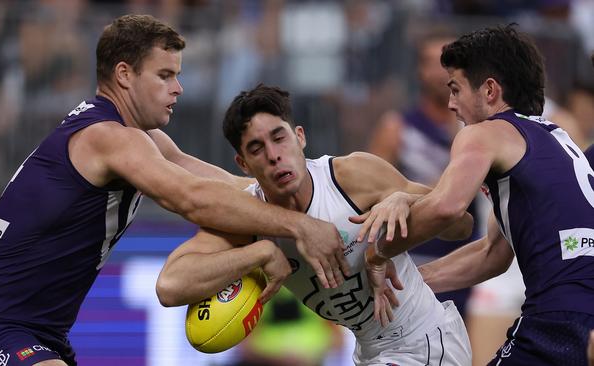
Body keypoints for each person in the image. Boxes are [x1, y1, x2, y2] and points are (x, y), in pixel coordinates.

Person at [0, 15, 350, 366]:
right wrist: (297, 225)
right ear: (124, 75)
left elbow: (224, 185)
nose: (179, 89)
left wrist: (320, 197)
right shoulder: (108, 138)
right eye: (165, 75)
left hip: (39, 333)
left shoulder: (140, 138)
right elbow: (191, 199)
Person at [156, 84, 473, 365]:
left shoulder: (349, 177)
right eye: (256, 148)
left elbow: (460, 223)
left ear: (300, 137)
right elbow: (170, 287)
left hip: (424, 340)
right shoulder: (249, 218)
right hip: (370, 352)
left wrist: (403, 199)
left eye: (279, 138)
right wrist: (260, 254)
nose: (274, 155)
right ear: (243, 164)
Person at [363, 24, 594, 365]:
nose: (451, 103)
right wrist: (408, 282)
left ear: (489, 91)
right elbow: (493, 254)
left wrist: (376, 253)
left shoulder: (485, 134)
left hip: (557, 316)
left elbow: (447, 208)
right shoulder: (555, 136)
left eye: (455, 89)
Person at [366, 27, 479, 317]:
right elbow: (370, 192)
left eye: (449, 63)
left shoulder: (479, 127)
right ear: (419, 70)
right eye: (433, 62)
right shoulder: (397, 127)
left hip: (471, 258)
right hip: (414, 257)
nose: (442, 72)